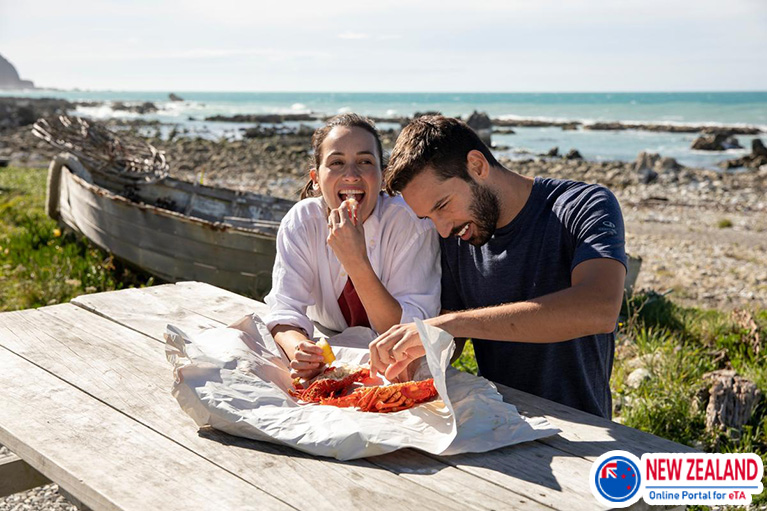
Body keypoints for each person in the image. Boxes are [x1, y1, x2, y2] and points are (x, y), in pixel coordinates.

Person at [369, 115, 627, 418]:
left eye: (441, 206)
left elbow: (599, 308)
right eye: (428, 217)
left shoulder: (583, 205)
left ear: (477, 166)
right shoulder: (456, 235)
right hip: (499, 423)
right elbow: (454, 331)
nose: (442, 229)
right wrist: (421, 355)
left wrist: (451, 325)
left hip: (584, 427)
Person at [263, 113, 441, 381]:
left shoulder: (412, 225)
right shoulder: (302, 222)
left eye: (365, 161)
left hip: (396, 364)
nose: (351, 174)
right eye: (337, 162)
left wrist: (355, 260)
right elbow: (285, 309)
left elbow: (409, 331)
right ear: (315, 178)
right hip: (325, 349)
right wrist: (299, 349)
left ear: (382, 176)